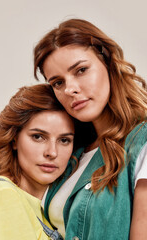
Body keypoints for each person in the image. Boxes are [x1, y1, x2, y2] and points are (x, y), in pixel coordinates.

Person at [33, 18, 147, 240]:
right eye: (58, 83)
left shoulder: (141, 143)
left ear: (108, 62)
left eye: (81, 70)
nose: (70, 89)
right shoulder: (71, 152)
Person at [0, 83, 77, 240]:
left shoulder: (41, 210)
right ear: (14, 139)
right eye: (38, 137)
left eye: (64, 140)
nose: (52, 152)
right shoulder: (3, 195)